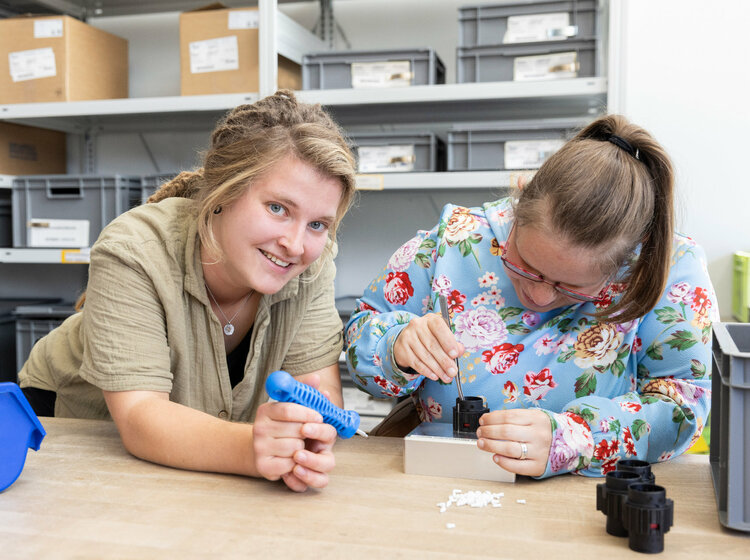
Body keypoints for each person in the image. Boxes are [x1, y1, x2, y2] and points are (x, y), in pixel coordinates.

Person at [18, 90, 357, 492]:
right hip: (80, 428)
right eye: (278, 208)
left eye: (317, 224)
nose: (296, 245)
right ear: (224, 192)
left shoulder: (312, 265)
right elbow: (142, 417)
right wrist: (253, 448)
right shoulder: (133, 249)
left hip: (207, 451)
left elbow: (319, 395)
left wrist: (304, 444)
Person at [344, 114, 717, 478]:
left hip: (582, 503)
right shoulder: (454, 242)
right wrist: (396, 347)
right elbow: (360, 334)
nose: (538, 296)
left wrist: (577, 438)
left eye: (568, 286)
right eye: (525, 265)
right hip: (443, 477)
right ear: (519, 201)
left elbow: (683, 405)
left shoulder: (668, 269)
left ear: (630, 256)